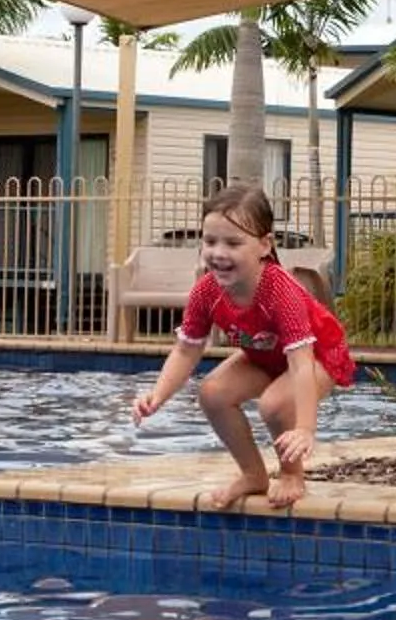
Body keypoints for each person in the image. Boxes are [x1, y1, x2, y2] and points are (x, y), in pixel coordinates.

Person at [132, 183, 355, 510]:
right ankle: (253, 474)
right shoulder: (206, 291)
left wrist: (305, 428)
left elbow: (301, 363)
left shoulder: (280, 291)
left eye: (233, 243)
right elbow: (186, 350)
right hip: (265, 356)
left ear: (264, 245)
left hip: (316, 357)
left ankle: (292, 474)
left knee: (275, 405)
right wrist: (158, 395)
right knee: (212, 394)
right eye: (210, 242)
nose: (218, 253)